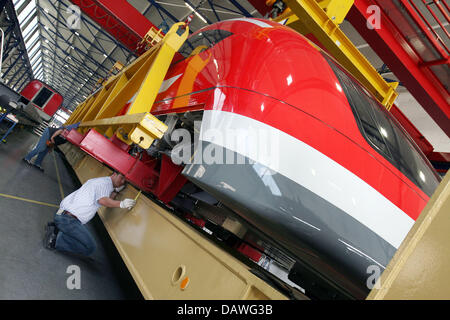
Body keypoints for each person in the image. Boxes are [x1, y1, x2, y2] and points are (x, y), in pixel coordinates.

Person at [43, 171, 136, 257]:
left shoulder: (102, 182)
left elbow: (107, 199)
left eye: (124, 181)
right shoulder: (105, 184)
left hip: (62, 215)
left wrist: (115, 191)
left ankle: (56, 228)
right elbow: (103, 200)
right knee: (89, 248)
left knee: (81, 237)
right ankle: (55, 241)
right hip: (68, 220)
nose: (122, 182)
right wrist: (121, 204)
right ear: (114, 174)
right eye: (122, 178)